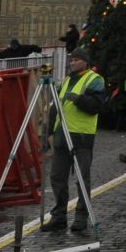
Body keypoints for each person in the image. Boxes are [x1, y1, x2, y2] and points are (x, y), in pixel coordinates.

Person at [47, 47, 106, 232]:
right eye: (71, 60)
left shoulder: (94, 80)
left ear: (85, 62)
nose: (73, 63)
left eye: (76, 60)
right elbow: (55, 107)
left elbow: (96, 106)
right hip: (61, 136)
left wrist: (80, 100)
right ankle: (59, 216)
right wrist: (49, 131)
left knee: (82, 178)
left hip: (81, 136)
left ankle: (81, 216)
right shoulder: (65, 81)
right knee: (57, 176)